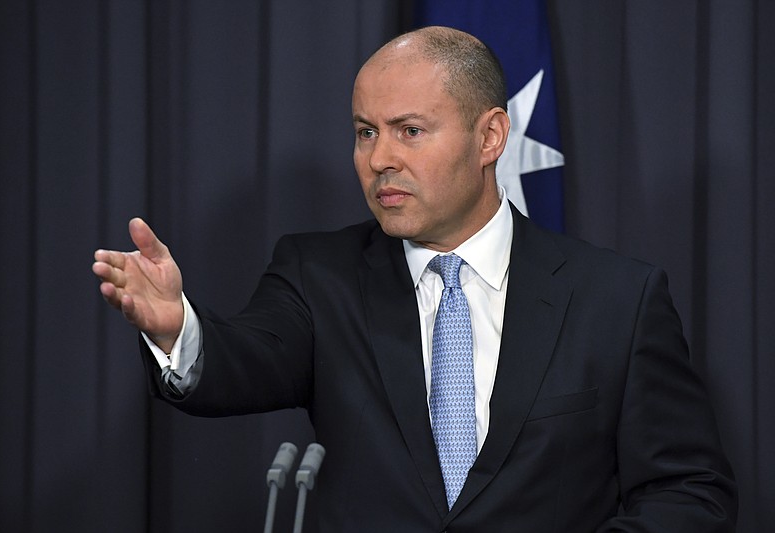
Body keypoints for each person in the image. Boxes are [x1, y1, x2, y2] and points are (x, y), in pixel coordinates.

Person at [92, 26, 737, 532]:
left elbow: (688, 492)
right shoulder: (319, 276)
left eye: (409, 131)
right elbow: (248, 358)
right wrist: (181, 330)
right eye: (365, 132)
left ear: (490, 137)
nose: (379, 159)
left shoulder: (616, 300)